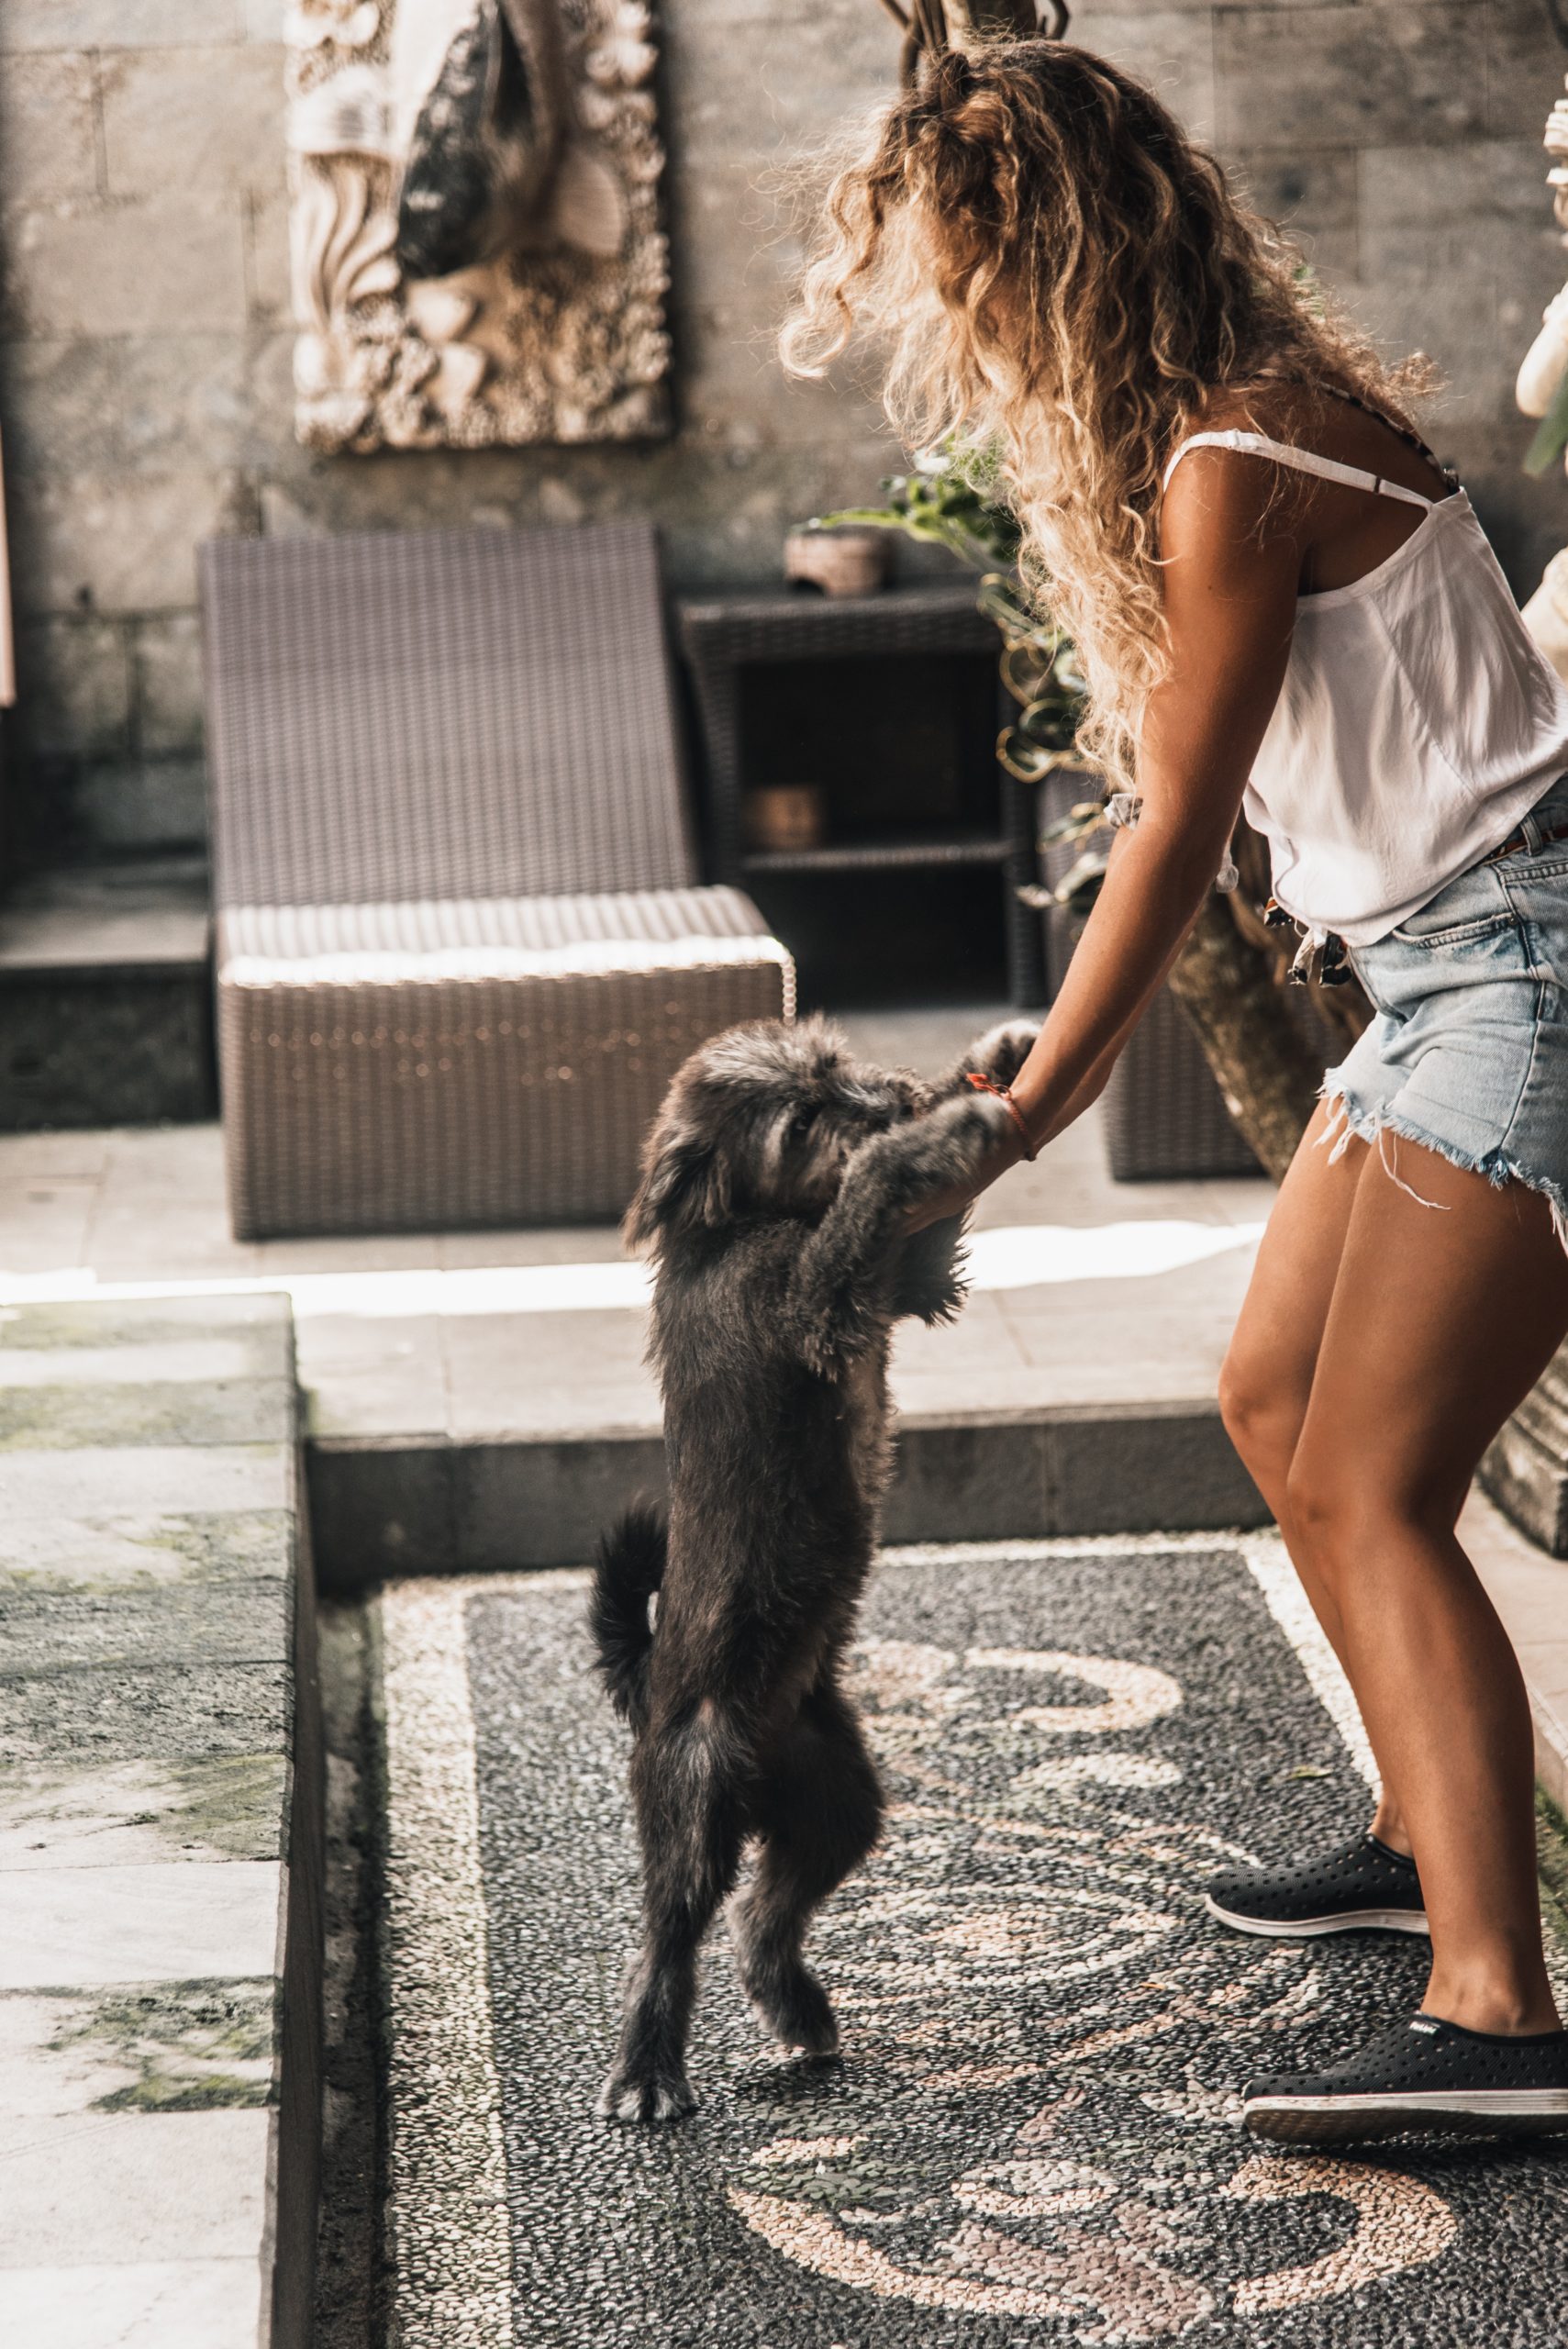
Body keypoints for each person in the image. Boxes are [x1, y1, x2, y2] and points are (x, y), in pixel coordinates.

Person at [782, 37, 1568, 2145]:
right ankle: (1426, 1834)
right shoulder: (1229, 435)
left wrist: (1019, 1119)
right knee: (1273, 1402)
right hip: (1433, 979)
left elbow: (1173, 822)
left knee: (1382, 1473)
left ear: (1058, 250)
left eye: (975, 272)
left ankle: (1504, 2019)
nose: (969, 322)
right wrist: (1032, 1063)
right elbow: (1193, 812)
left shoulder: (1242, 458)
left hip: (1517, 978)